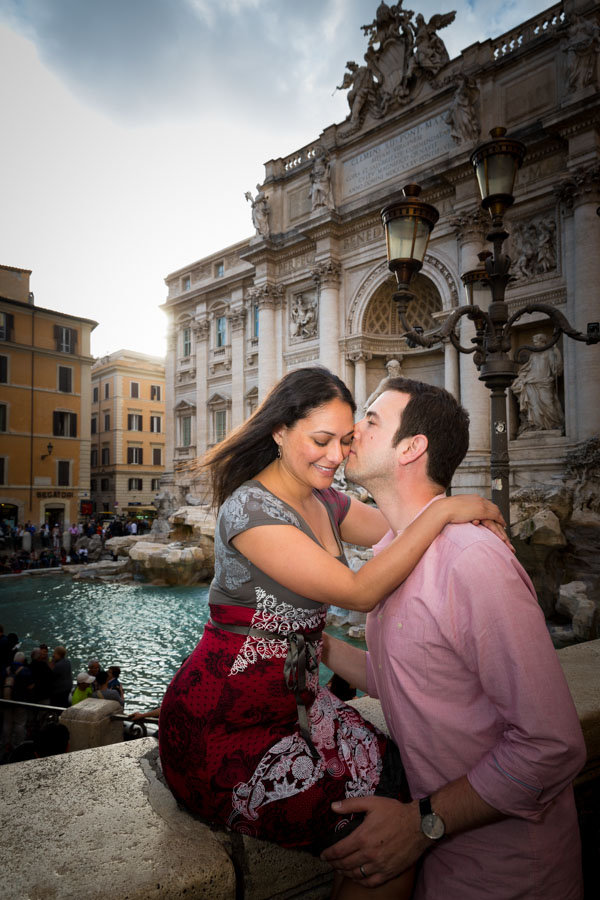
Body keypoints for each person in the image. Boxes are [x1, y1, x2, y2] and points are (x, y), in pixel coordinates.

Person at [158, 367, 506, 899]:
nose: (335, 455)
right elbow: (359, 590)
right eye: (320, 440)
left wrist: (451, 520)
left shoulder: (326, 501)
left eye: (346, 441)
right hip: (224, 726)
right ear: (279, 431)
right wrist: (449, 512)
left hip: (296, 707)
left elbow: (396, 525)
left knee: (402, 779)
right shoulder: (250, 510)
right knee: (377, 845)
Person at [320, 376, 586, 899]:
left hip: (510, 874)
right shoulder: (392, 552)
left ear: (411, 448)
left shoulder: (471, 560)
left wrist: (420, 823)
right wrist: (318, 647)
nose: (353, 431)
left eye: (371, 420)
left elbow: (551, 745)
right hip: (442, 864)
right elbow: (412, 678)